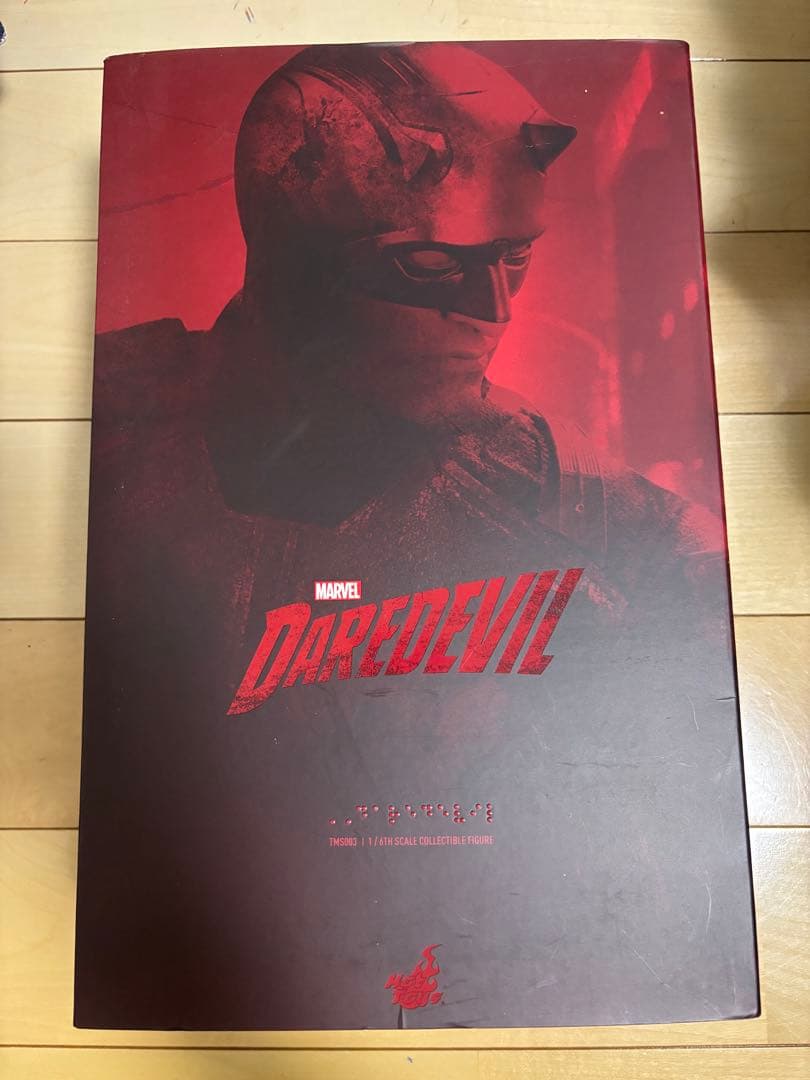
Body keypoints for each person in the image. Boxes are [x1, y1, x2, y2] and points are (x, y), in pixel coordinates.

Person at [77, 43, 743, 1031]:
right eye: (431, 265)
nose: (494, 310)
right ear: (294, 256)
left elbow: (700, 597)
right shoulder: (114, 424)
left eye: (515, 259)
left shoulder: (542, 482)